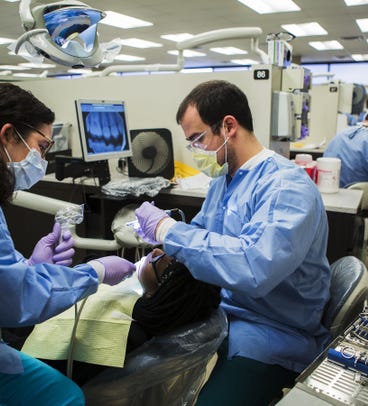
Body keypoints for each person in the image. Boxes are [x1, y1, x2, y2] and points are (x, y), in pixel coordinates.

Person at [0, 83, 135, 406]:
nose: (43, 159)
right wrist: (96, 272)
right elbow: (13, 298)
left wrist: (30, 266)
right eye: (41, 146)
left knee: (66, 396)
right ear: (8, 134)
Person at [135, 80, 332, 405]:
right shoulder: (222, 185)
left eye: (198, 139)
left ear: (228, 126)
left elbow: (254, 268)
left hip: (273, 332)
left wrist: (169, 231)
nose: (196, 150)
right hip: (221, 316)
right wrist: (163, 251)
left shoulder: (286, 188)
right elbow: (201, 240)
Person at [19, 248, 221, 386]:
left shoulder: (125, 334)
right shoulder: (138, 302)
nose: (156, 251)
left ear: (161, 294)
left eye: (166, 264)